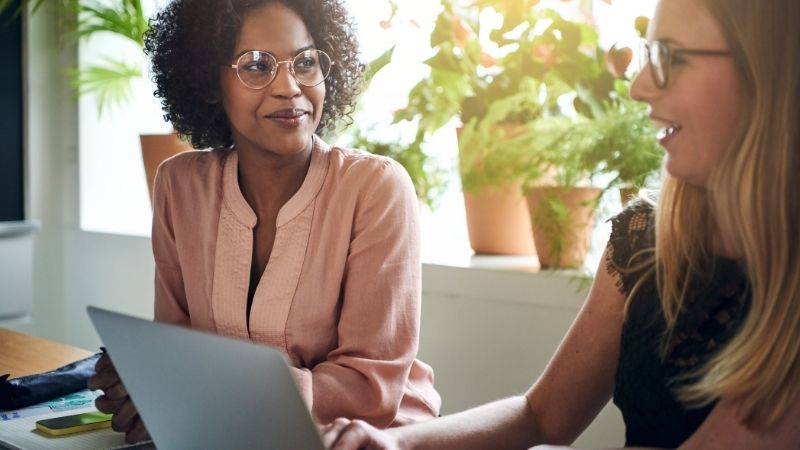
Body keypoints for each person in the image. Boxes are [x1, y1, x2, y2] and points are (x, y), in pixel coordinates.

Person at [322, 0, 800, 448]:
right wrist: (394, 443)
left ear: (766, 69)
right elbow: (542, 415)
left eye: (669, 57)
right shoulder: (645, 240)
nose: (638, 88)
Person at [87, 0, 441, 444]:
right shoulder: (180, 186)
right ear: (208, 81)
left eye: (306, 62)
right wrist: (143, 386)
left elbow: (370, 387)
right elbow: (176, 350)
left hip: (371, 438)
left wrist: (208, 386)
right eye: (256, 66)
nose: (289, 87)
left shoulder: (375, 188)